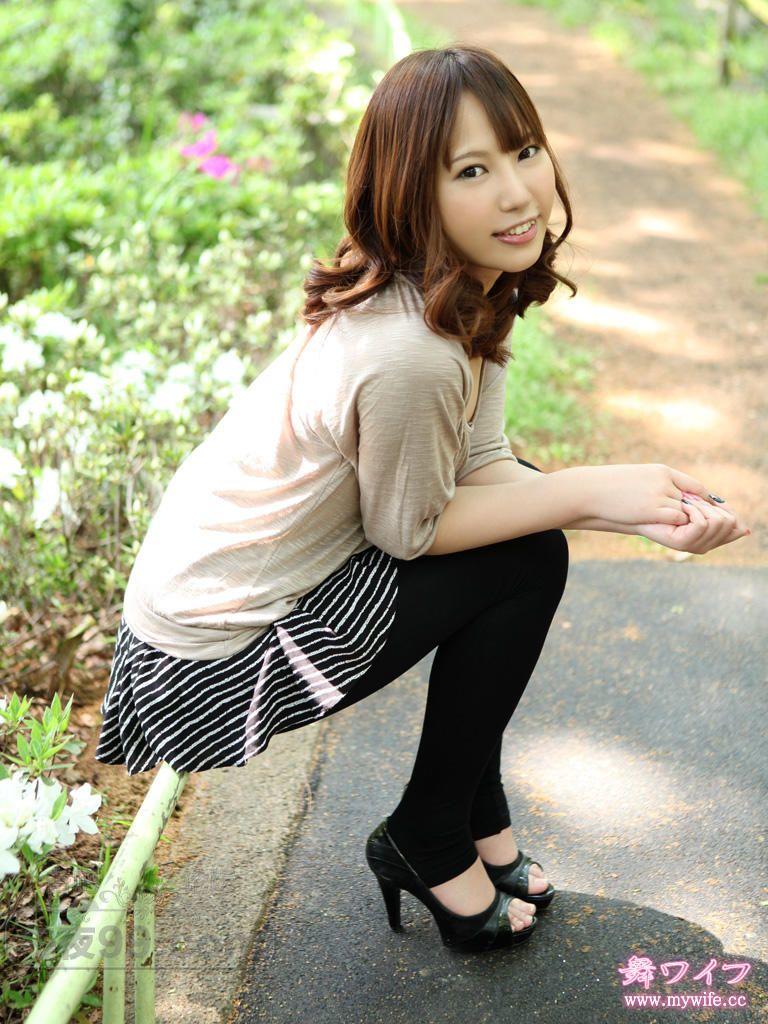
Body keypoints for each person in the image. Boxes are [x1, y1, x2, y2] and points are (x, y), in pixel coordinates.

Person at [95, 44, 750, 954]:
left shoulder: (457, 290)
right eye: (471, 172)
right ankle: (429, 832)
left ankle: (469, 812)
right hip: (211, 660)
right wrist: (591, 490)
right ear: (411, 193)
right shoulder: (410, 353)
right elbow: (413, 533)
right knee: (525, 558)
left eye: (524, 151)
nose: (518, 193)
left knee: (526, 541)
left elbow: (481, 465)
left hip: (243, 606)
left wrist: (639, 514)